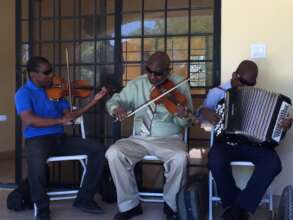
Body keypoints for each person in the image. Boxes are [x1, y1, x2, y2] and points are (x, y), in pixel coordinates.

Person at [15, 56, 107, 220]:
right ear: (33, 74)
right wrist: (59, 120)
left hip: (59, 138)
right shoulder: (23, 93)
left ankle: (84, 199)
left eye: (51, 71)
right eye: (46, 72)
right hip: (38, 140)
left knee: (98, 149)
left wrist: (94, 100)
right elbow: (29, 119)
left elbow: (70, 116)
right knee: (35, 162)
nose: (51, 75)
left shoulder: (55, 92)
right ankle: (42, 208)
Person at [198, 60, 292, 220]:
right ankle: (236, 206)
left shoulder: (261, 98)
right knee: (215, 159)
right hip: (225, 144)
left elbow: (275, 130)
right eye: (242, 82)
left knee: (273, 162)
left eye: (251, 84)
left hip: (253, 145)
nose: (245, 87)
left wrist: (285, 125)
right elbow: (199, 117)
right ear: (235, 75)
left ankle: (236, 209)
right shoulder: (217, 93)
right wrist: (205, 111)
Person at [105, 51, 193, 220]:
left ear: (168, 71)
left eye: (158, 73)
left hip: (169, 139)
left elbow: (187, 123)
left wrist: (182, 116)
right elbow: (114, 101)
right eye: (149, 71)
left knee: (180, 158)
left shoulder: (180, 86)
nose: (152, 77)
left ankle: (171, 205)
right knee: (114, 153)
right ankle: (130, 205)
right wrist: (117, 108)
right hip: (139, 138)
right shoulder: (137, 84)